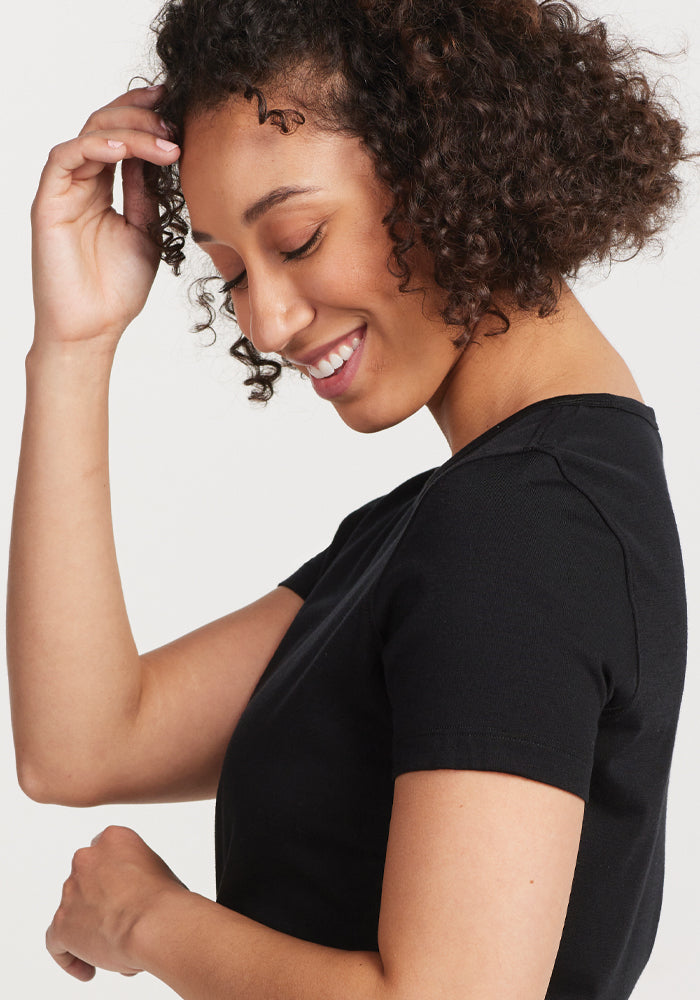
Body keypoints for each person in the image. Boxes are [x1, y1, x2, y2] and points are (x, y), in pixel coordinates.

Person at [6, 1, 695, 997]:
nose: (268, 318)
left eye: (295, 238)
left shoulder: (521, 527)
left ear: (448, 160)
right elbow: (80, 745)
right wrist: (73, 346)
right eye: (230, 270)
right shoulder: (462, 519)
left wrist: (148, 919)